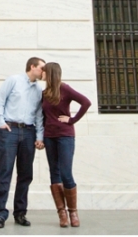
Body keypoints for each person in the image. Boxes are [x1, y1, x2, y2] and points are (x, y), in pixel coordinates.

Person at [0, 57, 45, 229]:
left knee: (25, 175)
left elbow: (38, 115)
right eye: (42, 68)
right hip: (10, 131)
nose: (44, 72)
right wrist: (1, 122)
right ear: (32, 66)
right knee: (4, 172)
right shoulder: (13, 80)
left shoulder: (38, 89)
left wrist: (39, 136)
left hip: (29, 132)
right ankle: (0, 214)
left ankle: (20, 213)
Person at [41, 61, 91, 228]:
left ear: (50, 73)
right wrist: (40, 137)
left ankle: (73, 212)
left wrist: (72, 120)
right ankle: (61, 213)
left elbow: (86, 102)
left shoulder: (65, 89)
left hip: (65, 136)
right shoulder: (44, 93)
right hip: (49, 136)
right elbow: (42, 117)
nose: (41, 73)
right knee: (54, 173)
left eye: (44, 71)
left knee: (66, 173)